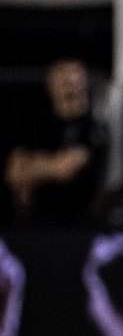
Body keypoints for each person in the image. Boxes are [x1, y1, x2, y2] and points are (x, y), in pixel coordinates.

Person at [4, 58, 107, 227]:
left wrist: (33, 165)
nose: (69, 85)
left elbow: (65, 168)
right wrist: (49, 164)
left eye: (73, 76)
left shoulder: (92, 130)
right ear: (50, 83)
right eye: (62, 77)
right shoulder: (35, 126)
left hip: (78, 227)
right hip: (33, 226)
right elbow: (13, 172)